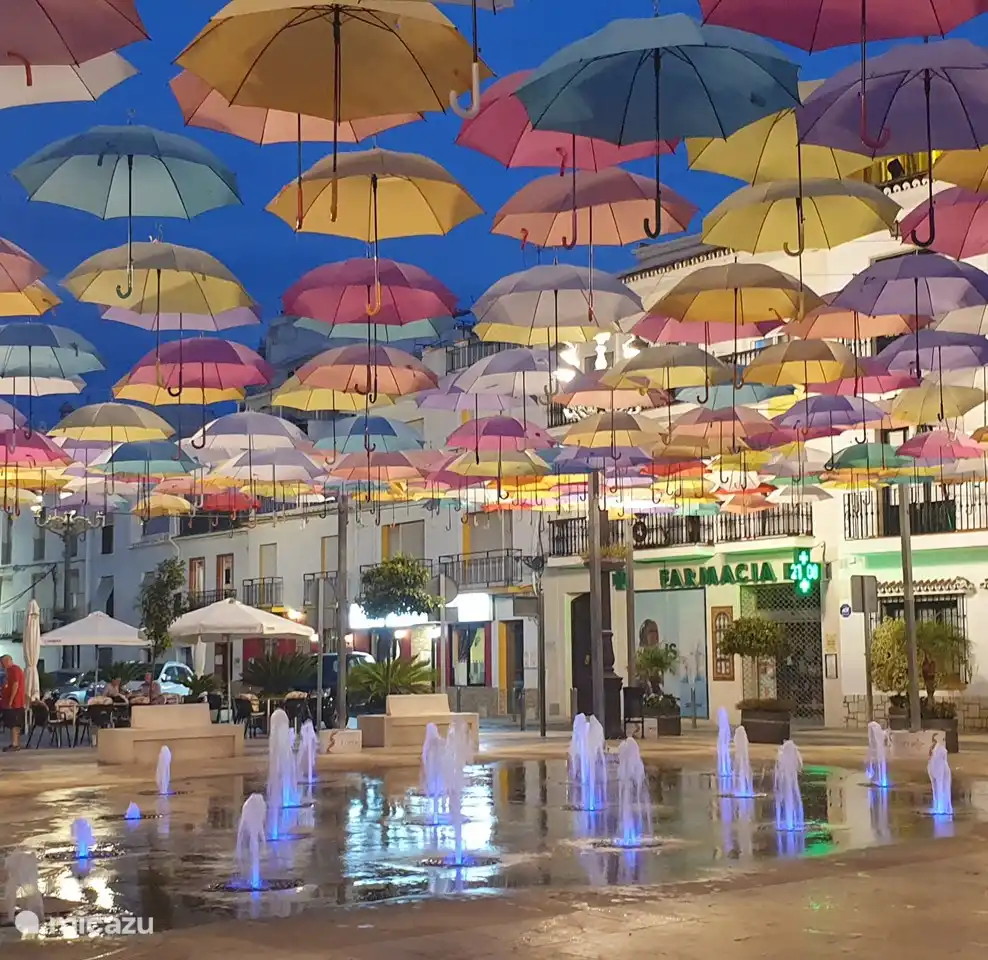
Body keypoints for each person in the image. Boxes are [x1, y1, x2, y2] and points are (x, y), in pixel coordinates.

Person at [0, 654, 26, 751]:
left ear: (7, 661)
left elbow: (15, 684)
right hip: (12, 702)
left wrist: (11, 700)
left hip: (15, 703)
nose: (2, 665)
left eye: (2, 663)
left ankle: (15, 744)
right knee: (13, 723)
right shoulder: (9, 671)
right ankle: (15, 743)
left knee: (14, 724)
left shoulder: (14, 669)